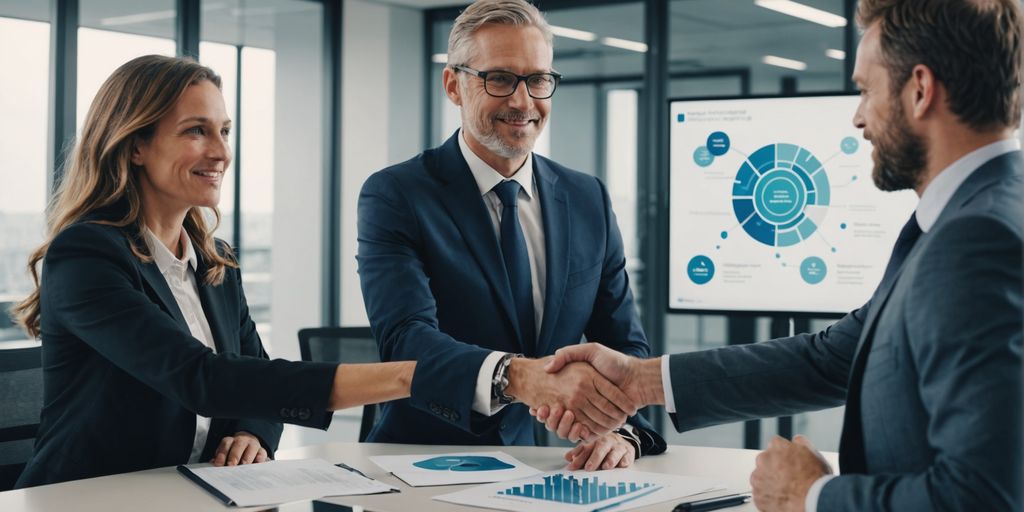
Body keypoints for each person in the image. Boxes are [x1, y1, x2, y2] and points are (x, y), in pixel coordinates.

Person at [533, 0, 1023, 510]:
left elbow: (986, 495)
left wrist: (810, 495)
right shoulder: (967, 216)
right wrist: (639, 381)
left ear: (920, 90)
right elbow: (837, 357)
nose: (858, 118)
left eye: (865, 90)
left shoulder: (978, 238)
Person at [11, 55, 417, 488]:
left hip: (195, 490)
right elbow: (201, 377)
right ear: (135, 146)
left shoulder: (215, 262)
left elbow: (252, 375)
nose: (221, 152)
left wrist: (252, 430)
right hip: (89, 497)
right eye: (196, 131)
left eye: (224, 131)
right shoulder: (85, 254)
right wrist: (411, 377)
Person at [356, 0, 664, 471]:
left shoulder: (588, 198)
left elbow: (625, 345)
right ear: (454, 86)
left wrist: (619, 430)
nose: (523, 102)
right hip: (425, 463)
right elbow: (406, 340)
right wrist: (517, 377)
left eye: (538, 79)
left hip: (555, 466)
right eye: (499, 79)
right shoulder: (397, 194)